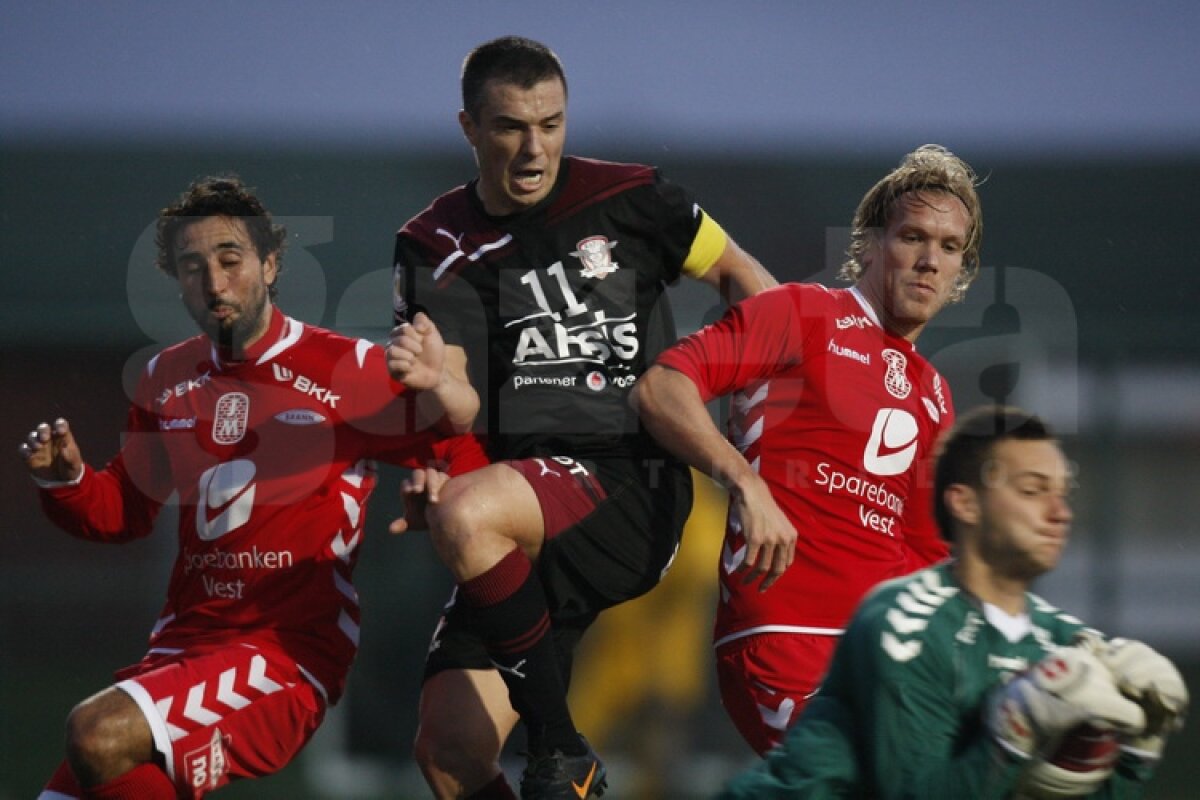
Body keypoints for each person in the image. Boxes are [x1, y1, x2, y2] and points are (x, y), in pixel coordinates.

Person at [388, 35, 775, 800]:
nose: (535, 149)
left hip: (627, 481)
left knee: (468, 515)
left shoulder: (632, 197)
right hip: (520, 511)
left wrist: (755, 395)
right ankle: (562, 764)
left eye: (552, 124)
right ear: (468, 128)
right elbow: (459, 405)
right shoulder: (431, 245)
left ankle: (563, 752)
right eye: (509, 128)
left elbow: (743, 278)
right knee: (449, 750)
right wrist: (434, 395)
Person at [18, 175, 485, 799]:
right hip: (180, 651)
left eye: (230, 260)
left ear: (269, 265)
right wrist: (68, 481)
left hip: (286, 656)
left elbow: (467, 453)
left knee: (97, 733)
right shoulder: (166, 376)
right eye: (192, 266)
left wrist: (446, 496)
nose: (213, 282)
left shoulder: (351, 370)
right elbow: (124, 512)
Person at [631, 144, 982, 754]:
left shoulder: (934, 393)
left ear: (962, 270)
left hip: (884, 656)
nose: (929, 261)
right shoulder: (802, 312)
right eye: (912, 237)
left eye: (949, 248)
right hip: (786, 637)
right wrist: (744, 481)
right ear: (870, 244)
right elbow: (662, 388)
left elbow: (926, 553)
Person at [719, 406, 1189, 799]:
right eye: (1031, 491)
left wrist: (1136, 750)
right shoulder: (902, 626)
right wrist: (1013, 731)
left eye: (1063, 494)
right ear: (965, 505)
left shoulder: (1061, 639)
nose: (1059, 513)